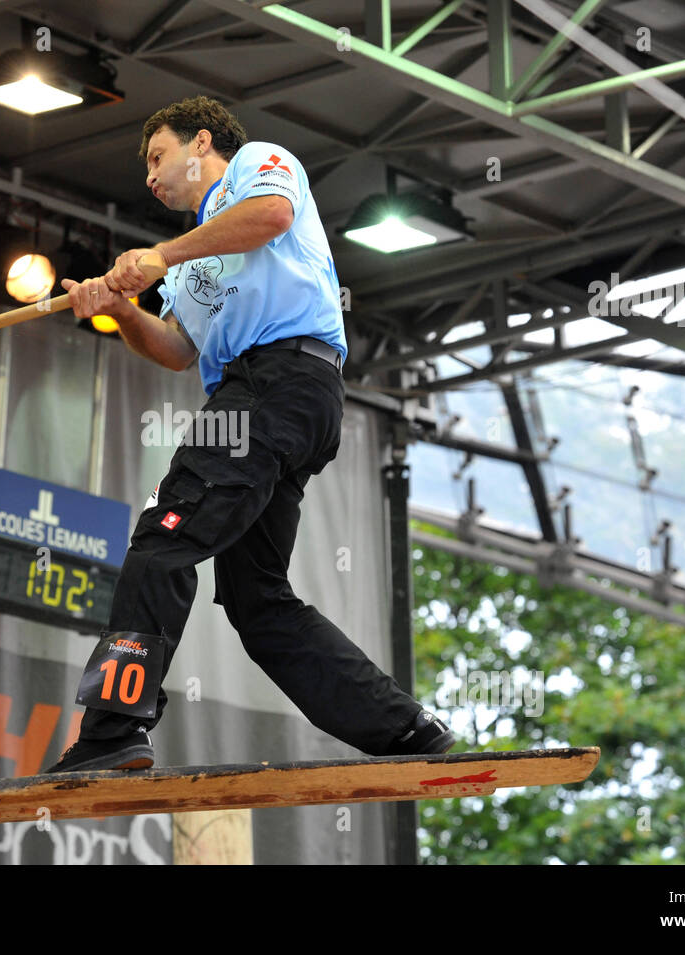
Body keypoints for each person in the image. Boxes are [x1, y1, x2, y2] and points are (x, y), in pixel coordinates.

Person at [46, 96, 453, 773]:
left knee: (162, 539)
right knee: (256, 600)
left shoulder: (258, 166)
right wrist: (121, 308)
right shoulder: (189, 261)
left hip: (277, 380)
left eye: (157, 156)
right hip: (279, 400)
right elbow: (177, 349)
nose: (150, 176)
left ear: (201, 143)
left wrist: (156, 256)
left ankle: (114, 729)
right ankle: (404, 729)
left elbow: (272, 216)